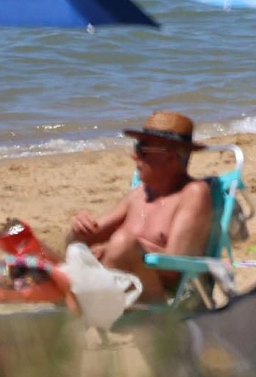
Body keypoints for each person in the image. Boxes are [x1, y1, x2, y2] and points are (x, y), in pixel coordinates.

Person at [66, 111, 215, 303]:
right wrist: (80, 226)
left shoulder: (193, 194)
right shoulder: (138, 195)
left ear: (171, 156)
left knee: (122, 242)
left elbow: (175, 268)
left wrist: (128, 248)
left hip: (158, 294)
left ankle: (78, 305)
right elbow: (77, 241)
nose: (134, 155)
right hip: (114, 286)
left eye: (142, 149)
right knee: (23, 237)